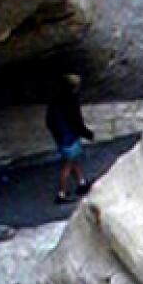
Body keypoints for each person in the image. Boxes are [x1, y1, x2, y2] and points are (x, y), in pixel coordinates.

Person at [45, 72, 95, 205]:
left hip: (61, 137)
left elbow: (49, 121)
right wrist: (87, 133)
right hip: (70, 138)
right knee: (68, 165)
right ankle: (61, 194)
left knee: (73, 160)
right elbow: (76, 121)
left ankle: (81, 183)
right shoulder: (71, 101)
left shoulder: (56, 100)